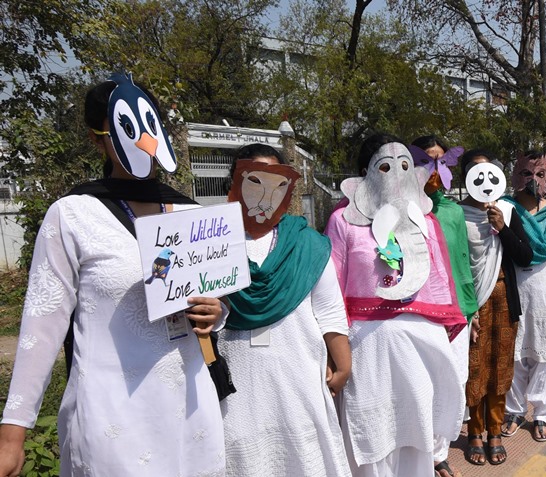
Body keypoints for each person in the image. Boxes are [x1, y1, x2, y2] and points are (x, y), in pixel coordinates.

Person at [0, 75, 227, 476]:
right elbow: (42, 326)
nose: (141, 139)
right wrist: (13, 433)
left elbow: (214, 303)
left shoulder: (193, 217)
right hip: (113, 417)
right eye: (125, 127)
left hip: (190, 410)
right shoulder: (72, 216)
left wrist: (217, 312)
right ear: (97, 137)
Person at [325, 134, 466, 477]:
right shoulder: (342, 221)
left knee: (416, 431)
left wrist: (441, 336)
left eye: (404, 166)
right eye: (385, 167)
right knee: (370, 436)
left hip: (419, 348)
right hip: (366, 350)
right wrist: (334, 349)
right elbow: (330, 289)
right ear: (364, 173)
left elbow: (437, 284)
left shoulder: (425, 221)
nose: (395, 175)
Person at [218, 144, 352, 476]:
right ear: (234, 183)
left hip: (298, 373)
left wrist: (344, 364)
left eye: (276, 181)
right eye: (254, 179)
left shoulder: (306, 243)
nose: (265, 192)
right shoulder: (212, 241)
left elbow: (329, 309)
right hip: (235, 380)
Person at [459, 149, 533, 465]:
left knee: (501, 366)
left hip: (504, 298)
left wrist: (502, 227)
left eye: (490, 171)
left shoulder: (507, 211)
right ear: (465, 178)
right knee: (474, 367)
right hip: (473, 303)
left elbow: (525, 255)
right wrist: (465, 309)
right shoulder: (455, 215)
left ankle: (495, 431)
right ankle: (474, 431)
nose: (484, 179)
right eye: (477, 172)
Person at [410, 135, 477, 477]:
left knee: (454, 379)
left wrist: (471, 308)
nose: (432, 169)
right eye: (424, 160)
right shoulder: (402, 211)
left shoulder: (452, 211)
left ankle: (438, 453)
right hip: (419, 313)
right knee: (423, 384)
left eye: (440, 161)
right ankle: (418, 454)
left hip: (458, 312)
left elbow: (463, 264)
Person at [501, 151, 546, 443]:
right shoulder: (505, 209)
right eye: (527, 174)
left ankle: (542, 414)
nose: (533, 180)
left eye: (540, 175)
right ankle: (515, 411)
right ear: (515, 177)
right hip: (515, 286)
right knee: (516, 353)